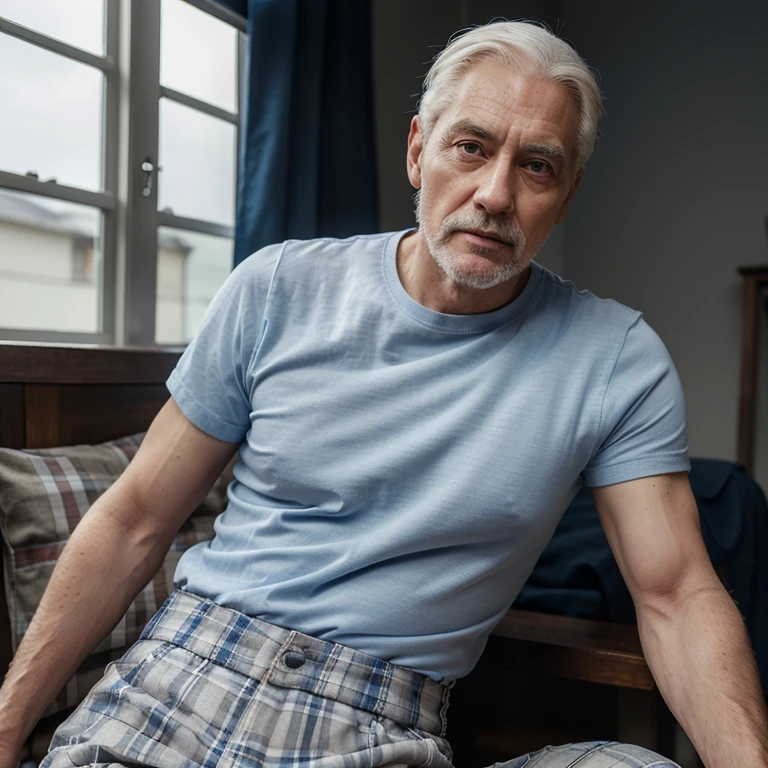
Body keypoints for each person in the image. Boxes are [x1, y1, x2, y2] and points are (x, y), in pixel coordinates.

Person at [0, 20, 767, 768]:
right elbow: (135, 519)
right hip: (179, 679)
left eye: (537, 166)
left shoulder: (616, 359)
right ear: (417, 150)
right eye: (471, 146)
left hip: (378, 724)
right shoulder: (278, 285)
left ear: (565, 196)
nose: (495, 194)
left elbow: (676, 596)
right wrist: (7, 728)